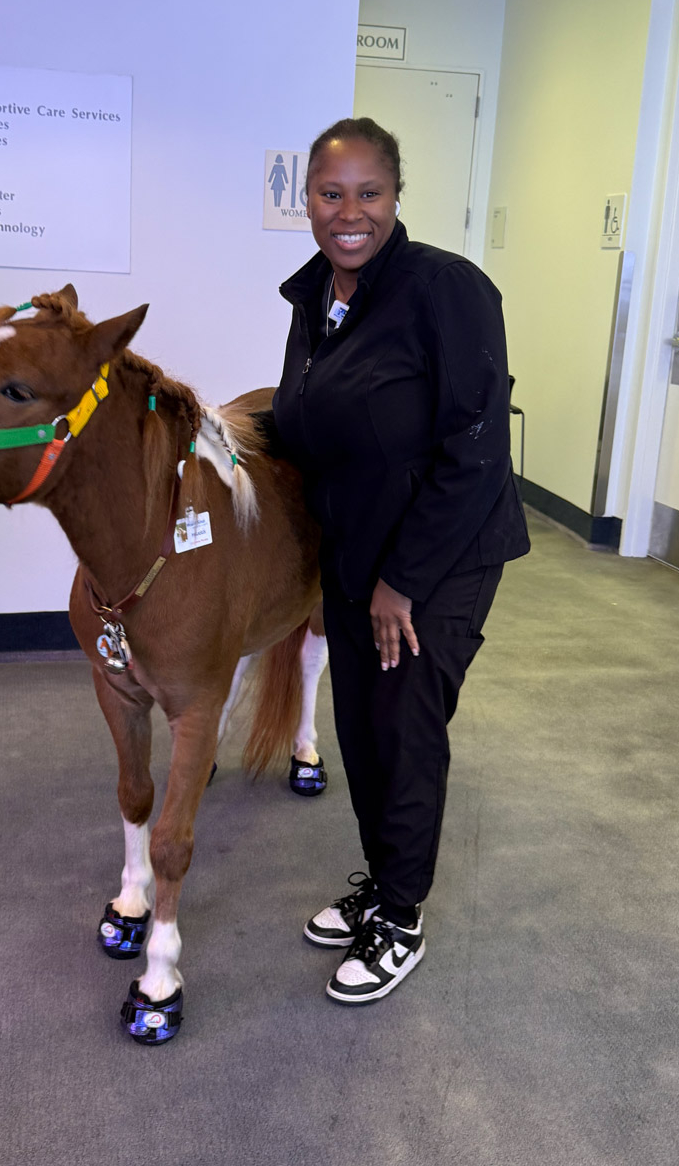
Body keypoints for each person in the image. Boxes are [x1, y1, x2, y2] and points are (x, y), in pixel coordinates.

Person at [272, 117, 530, 1004]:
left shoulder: (445, 290)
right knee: (359, 730)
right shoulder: (316, 298)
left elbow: (478, 453)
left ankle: (402, 917)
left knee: (405, 731)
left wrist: (403, 582)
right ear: (307, 200)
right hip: (356, 552)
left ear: (395, 196)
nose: (349, 213)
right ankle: (382, 883)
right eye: (330, 193)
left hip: (441, 558)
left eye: (368, 193)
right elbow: (307, 423)